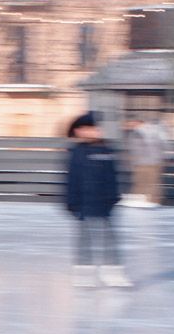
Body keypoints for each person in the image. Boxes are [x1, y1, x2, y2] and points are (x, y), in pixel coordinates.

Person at [64, 112, 131, 288]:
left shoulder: (108, 150)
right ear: (79, 132)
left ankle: (113, 273)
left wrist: (115, 196)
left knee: (110, 239)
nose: (95, 132)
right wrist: (71, 202)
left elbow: (114, 175)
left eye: (96, 128)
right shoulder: (77, 153)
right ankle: (83, 273)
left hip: (105, 202)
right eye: (89, 129)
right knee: (85, 239)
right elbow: (72, 179)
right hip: (84, 202)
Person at [125, 116, 168, 208]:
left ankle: (148, 203)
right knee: (149, 184)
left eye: (130, 123)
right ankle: (150, 203)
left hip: (146, 163)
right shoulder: (151, 130)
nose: (129, 125)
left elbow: (142, 148)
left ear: (136, 121)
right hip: (150, 162)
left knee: (145, 184)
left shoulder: (143, 131)